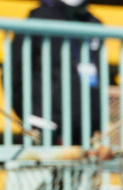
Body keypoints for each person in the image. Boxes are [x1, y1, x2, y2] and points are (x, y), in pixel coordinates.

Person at [8, 0, 110, 147]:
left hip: (83, 132)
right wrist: (31, 115)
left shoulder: (95, 24)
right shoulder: (39, 19)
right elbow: (14, 71)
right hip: (43, 129)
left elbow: (99, 79)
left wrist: (95, 123)